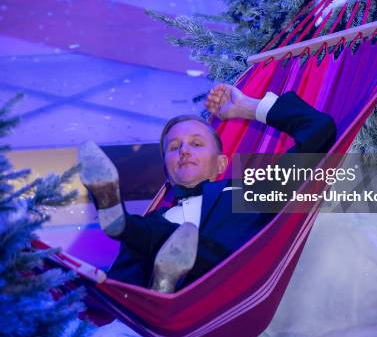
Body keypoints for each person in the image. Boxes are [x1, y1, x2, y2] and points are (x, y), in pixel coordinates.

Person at [79, 83, 336, 293]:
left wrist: (247, 108)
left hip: (233, 289)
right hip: (163, 318)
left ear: (221, 163)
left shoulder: (250, 193)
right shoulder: (148, 228)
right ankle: (162, 286)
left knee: (157, 233)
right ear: (167, 169)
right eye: (174, 147)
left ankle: (156, 269)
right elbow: (118, 292)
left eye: (196, 144)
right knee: (146, 230)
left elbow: (318, 130)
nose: (184, 151)